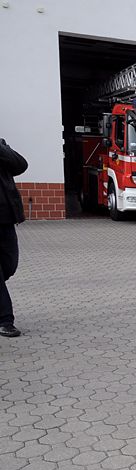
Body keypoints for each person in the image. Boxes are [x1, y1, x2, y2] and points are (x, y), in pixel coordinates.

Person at [0, 137, 27, 338]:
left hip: (5, 218)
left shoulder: (1, 147)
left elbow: (21, 165)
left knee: (9, 265)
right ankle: (5, 320)